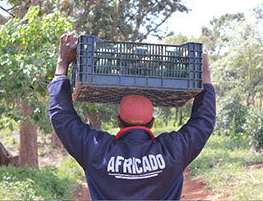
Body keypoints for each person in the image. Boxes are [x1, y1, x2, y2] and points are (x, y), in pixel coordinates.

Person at [48, 32, 216, 200]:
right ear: (151, 123)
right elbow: (204, 122)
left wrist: (62, 63)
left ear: (119, 121)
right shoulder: (173, 151)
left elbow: (62, 118)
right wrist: (205, 73)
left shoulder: (96, 150)